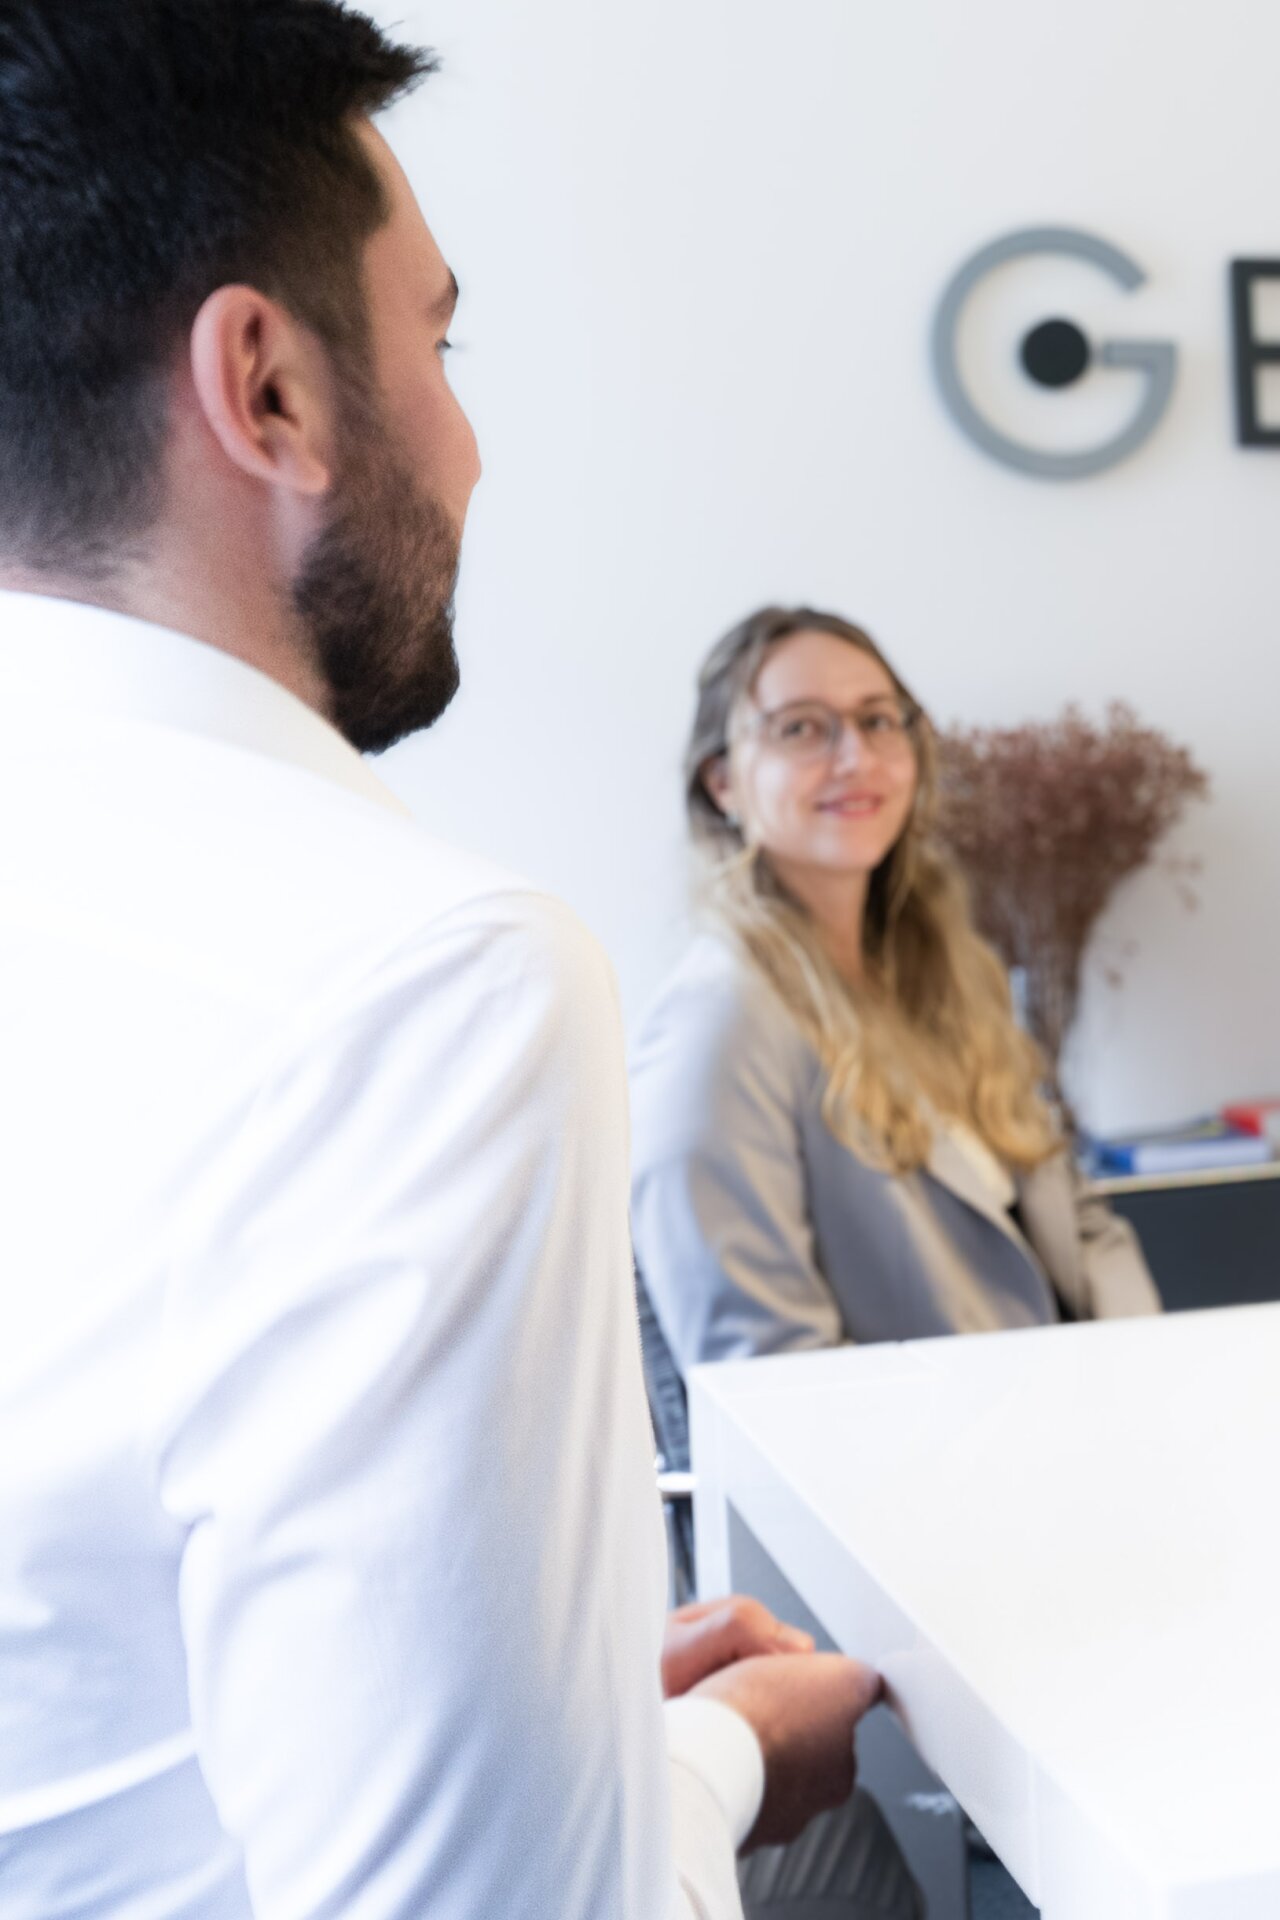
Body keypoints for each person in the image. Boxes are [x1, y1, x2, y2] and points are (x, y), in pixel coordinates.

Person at [0, 13, 914, 1920]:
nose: (476, 450)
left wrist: (579, 1736)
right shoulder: (425, 987)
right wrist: (726, 1754)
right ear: (267, 387)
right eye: (442, 339)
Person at [631, 605, 1160, 1375]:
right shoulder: (717, 1023)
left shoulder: (951, 972)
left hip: (1081, 1426)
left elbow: (1080, 1221)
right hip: (923, 1478)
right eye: (801, 728)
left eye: (879, 721)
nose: (855, 757)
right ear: (722, 782)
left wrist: (1147, 1382)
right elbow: (769, 1376)